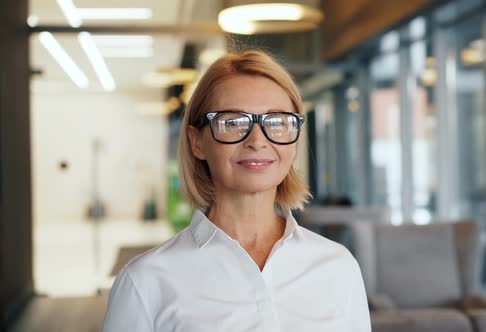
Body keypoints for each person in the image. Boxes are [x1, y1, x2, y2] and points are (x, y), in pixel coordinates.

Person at [102, 50, 370, 332]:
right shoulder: (146, 282)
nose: (257, 140)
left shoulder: (338, 266)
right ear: (197, 142)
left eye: (277, 122)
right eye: (233, 122)